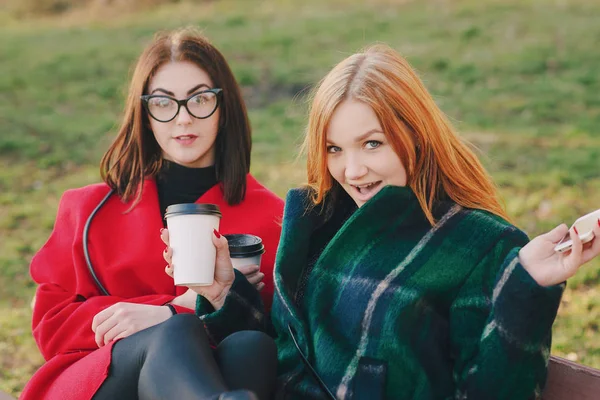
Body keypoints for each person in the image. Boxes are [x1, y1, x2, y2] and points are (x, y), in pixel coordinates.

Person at [164, 44, 600, 399]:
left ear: (416, 134)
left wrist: (529, 285)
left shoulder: (478, 244)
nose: (351, 171)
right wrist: (223, 292)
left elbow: (494, 391)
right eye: (334, 149)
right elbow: (279, 352)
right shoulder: (317, 220)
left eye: (371, 144)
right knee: (165, 345)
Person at [22, 28, 283, 400]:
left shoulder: (273, 218)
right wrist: (169, 313)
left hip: (216, 374)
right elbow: (52, 325)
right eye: (163, 102)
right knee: (177, 332)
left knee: (251, 346)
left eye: (200, 99)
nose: (183, 118)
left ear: (223, 108)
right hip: (99, 378)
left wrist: (192, 309)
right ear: (145, 114)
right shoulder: (87, 210)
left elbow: (280, 332)